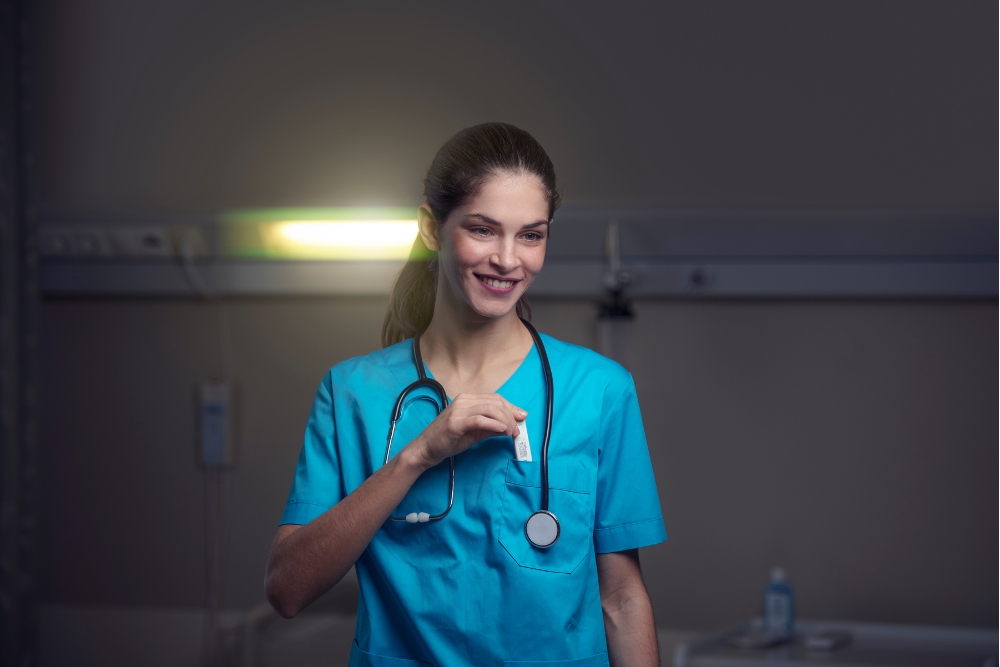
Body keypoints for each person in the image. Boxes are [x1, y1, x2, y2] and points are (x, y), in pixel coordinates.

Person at [265, 122, 666, 666]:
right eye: (482, 229)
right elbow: (287, 590)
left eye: (531, 235)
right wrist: (417, 456)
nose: (507, 259)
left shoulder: (598, 390)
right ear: (432, 228)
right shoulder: (353, 394)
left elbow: (620, 598)